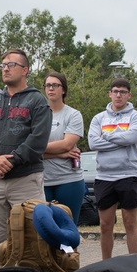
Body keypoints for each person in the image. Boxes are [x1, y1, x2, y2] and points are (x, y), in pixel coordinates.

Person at [0, 49, 50, 268]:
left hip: (26, 181)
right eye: (4, 65)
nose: (5, 68)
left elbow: (38, 141)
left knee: (32, 239)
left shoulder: (37, 101)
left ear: (25, 70)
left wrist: (10, 161)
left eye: (11, 65)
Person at [87, 78, 137, 259]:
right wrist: (120, 140)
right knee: (105, 225)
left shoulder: (136, 116)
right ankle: (107, 264)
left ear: (129, 95)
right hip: (104, 176)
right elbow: (92, 142)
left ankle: (134, 264)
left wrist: (106, 136)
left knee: (130, 222)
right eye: (115, 91)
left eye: (122, 92)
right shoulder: (99, 118)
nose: (118, 95)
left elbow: (132, 138)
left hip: (128, 175)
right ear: (110, 94)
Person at [41, 71, 85, 224]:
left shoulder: (73, 115)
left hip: (69, 180)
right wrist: (59, 154)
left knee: (68, 229)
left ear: (63, 89)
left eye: (55, 85)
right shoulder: (37, 115)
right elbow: (29, 150)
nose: (51, 88)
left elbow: (67, 144)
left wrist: (41, 150)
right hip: (42, 181)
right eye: (48, 85)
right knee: (43, 230)